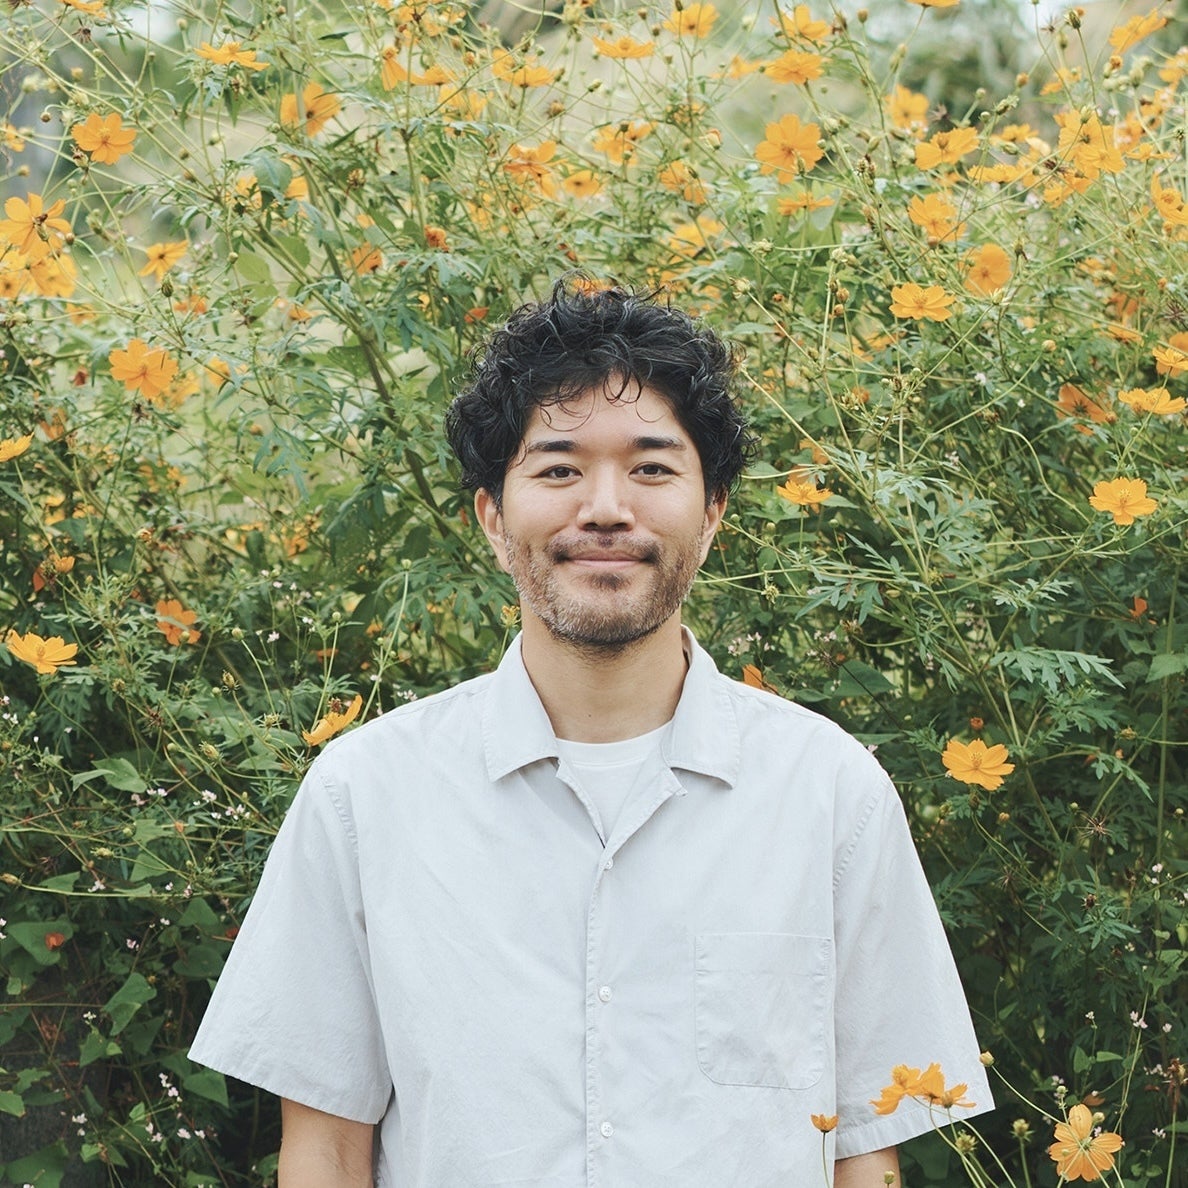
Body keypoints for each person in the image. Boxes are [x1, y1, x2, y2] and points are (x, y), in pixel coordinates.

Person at [190, 282, 993, 1187]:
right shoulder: (364, 796)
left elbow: (865, 1150)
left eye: (652, 469)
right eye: (559, 469)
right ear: (493, 518)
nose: (607, 508)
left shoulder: (830, 792)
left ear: (713, 512)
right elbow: (327, 1150)